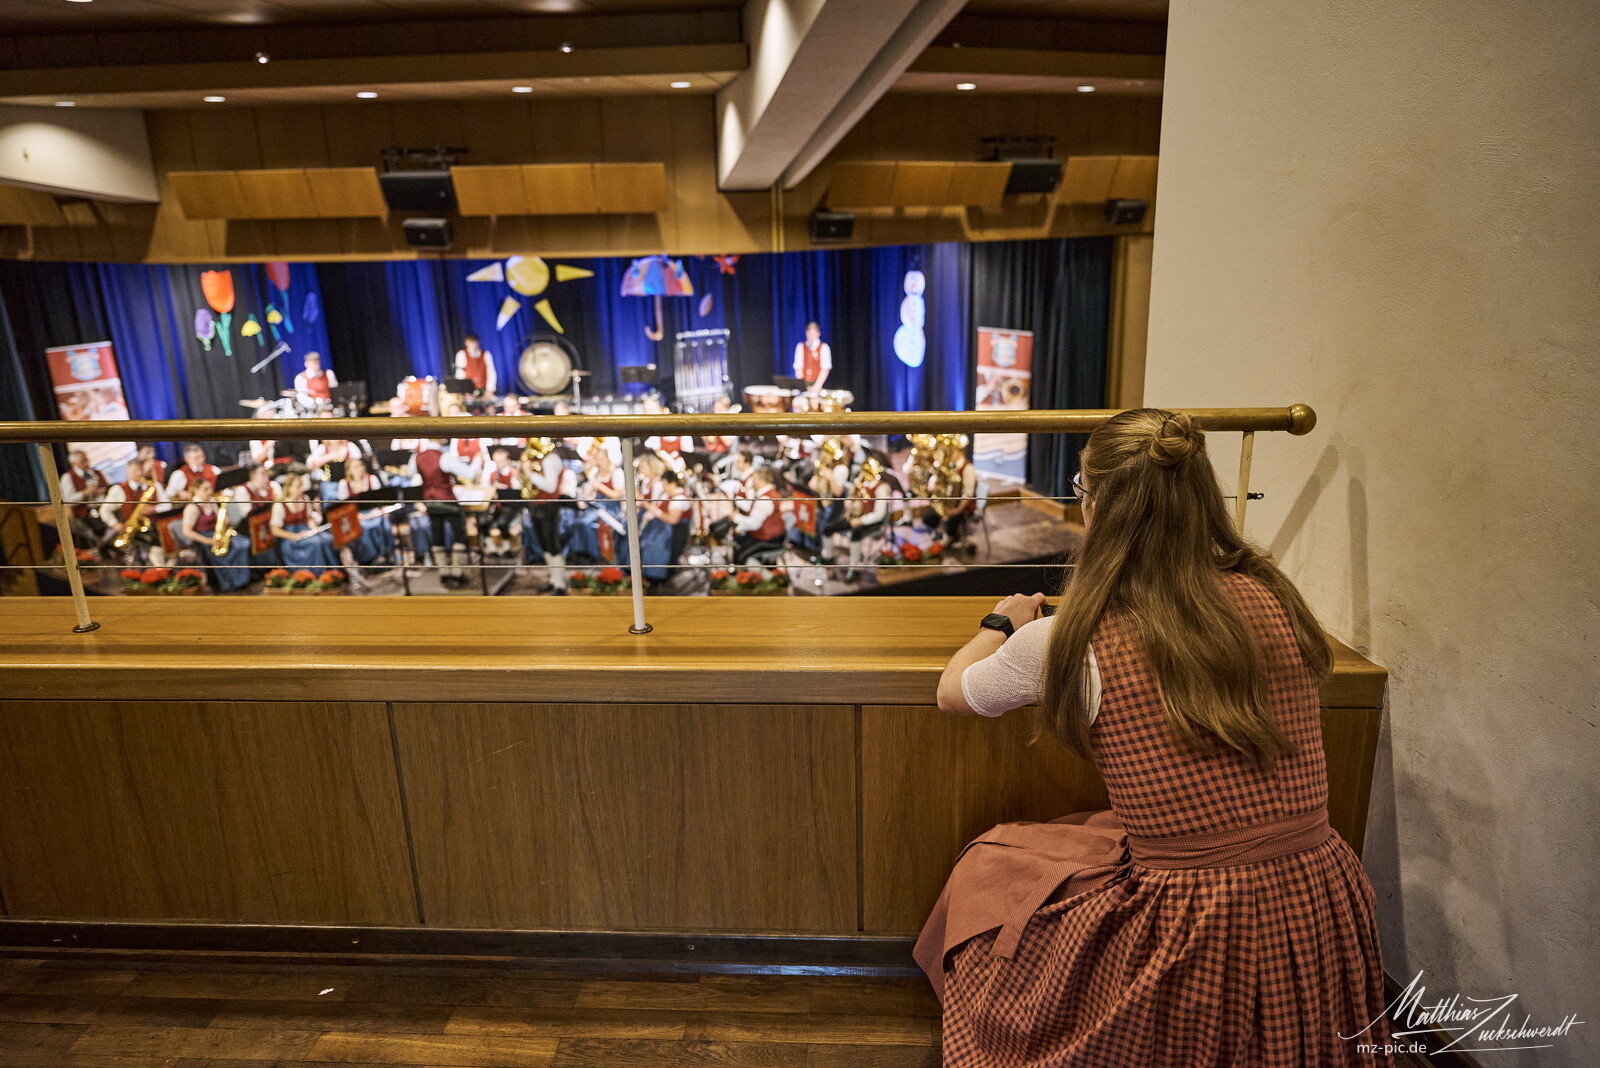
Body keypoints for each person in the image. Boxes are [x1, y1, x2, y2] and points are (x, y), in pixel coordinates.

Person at [919, 409, 1391, 1067]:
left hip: (1193, 921)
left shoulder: (1070, 638)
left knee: (990, 868)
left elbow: (953, 692)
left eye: (1083, 490)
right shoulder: (1274, 594)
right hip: (1320, 894)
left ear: (1098, 505)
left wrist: (1000, 623)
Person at [178, 479, 250, 592]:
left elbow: (220, 520)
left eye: (210, 488)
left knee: (243, 543)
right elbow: (187, 531)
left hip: (216, 533)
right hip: (204, 539)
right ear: (196, 490)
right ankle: (229, 582)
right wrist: (208, 541)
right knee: (234, 548)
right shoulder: (193, 507)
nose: (209, 491)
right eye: (205, 489)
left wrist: (225, 520)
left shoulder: (211, 501)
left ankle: (240, 580)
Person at [270, 472, 338, 575]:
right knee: (316, 542)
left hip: (305, 530)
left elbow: (308, 518)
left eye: (301, 486)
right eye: (298, 486)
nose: (301, 489)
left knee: (328, 539)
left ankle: (333, 571)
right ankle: (318, 574)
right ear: (289, 488)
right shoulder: (280, 505)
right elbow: (275, 530)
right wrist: (293, 536)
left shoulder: (304, 499)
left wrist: (314, 528)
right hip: (291, 537)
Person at [731, 466, 785, 565]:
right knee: (738, 539)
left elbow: (754, 524)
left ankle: (741, 572)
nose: (752, 482)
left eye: (754, 479)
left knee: (740, 555)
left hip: (769, 540)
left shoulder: (765, 499)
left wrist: (736, 517)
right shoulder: (769, 493)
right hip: (769, 535)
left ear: (761, 480)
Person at [59, 449, 110, 543]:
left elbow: (109, 487)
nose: (86, 463)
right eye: (82, 462)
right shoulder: (68, 477)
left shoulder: (97, 473)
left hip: (104, 507)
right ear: (73, 463)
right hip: (85, 514)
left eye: (86, 460)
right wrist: (85, 493)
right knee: (99, 529)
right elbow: (68, 501)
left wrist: (102, 491)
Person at [793, 320, 832, 393]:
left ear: (818, 334)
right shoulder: (801, 346)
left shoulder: (824, 347)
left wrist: (817, 386)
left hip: (818, 385)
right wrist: (801, 385)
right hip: (803, 385)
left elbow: (825, 369)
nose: (811, 336)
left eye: (813, 334)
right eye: (809, 333)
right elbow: (798, 367)